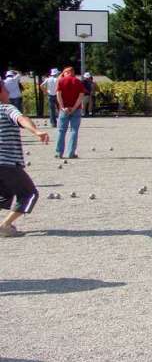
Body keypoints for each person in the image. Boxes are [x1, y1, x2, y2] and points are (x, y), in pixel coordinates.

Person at [0, 80, 50, 237]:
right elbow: (21, 119)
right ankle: (5, 225)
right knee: (29, 194)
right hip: (6, 162)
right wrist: (36, 131)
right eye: (6, 90)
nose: (8, 93)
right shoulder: (7, 108)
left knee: (5, 194)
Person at [55, 67, 86, 159]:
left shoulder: (61, 81)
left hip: (64, 109)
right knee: (74, 131)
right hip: (76, 109)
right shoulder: (78, 82)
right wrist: (74, 108)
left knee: (61, 130)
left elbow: (58, 95)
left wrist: (62, 107)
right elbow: (81, 96)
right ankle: (71, 153)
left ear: (66, 72)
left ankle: (59, 153)